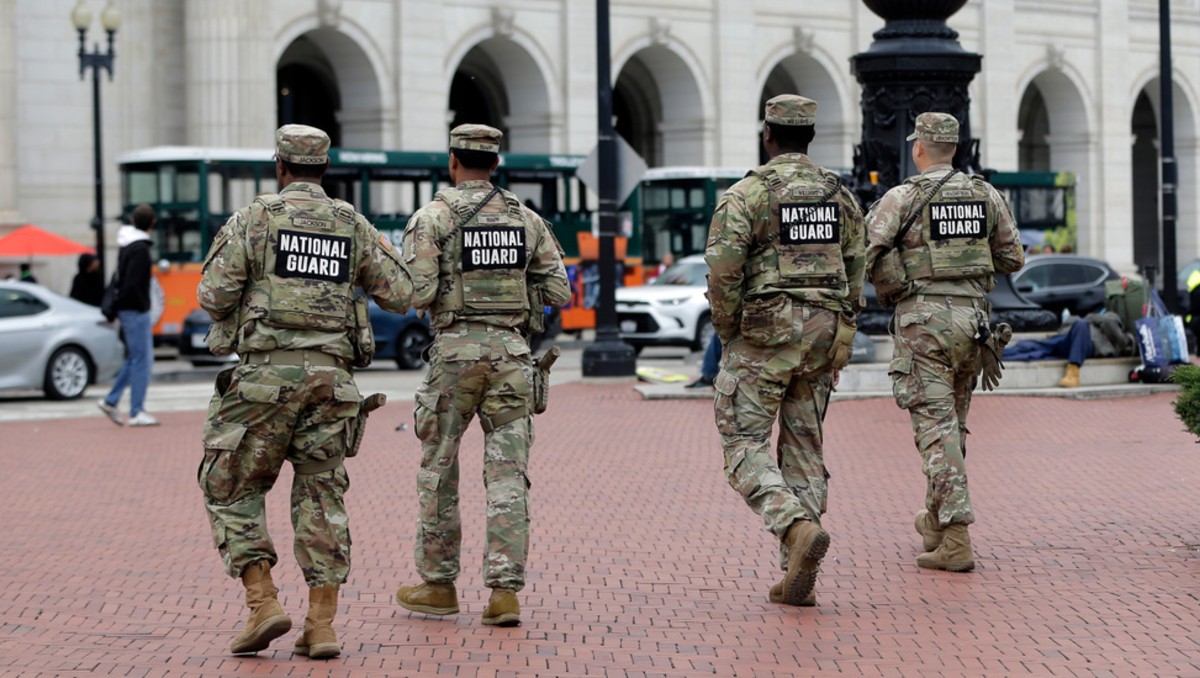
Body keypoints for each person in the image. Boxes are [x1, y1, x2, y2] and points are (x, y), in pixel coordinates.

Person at [195, 124, 412, 658]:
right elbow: (402, 294)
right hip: (332, 385)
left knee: (229, 486)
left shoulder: (254, 219)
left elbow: (211, 294)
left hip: (265, 380)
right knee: (321, 496)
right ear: (325, 168)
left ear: (280, 166)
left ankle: (263, 601)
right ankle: (321, 625)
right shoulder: (352, 225)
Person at [394, 124, 570, 627]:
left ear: (452, 161)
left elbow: (418, 292)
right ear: (495, 164)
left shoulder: (433, 217)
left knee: (439, 470)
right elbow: (558, 290)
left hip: (452, 355)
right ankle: (503, 594)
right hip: (513, 357)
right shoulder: (525, 219)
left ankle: (438, 585)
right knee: (507, 477)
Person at [705, 95, 865, 606]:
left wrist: (729, 331)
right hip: (823, 333)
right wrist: (841, 330)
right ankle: (797, 568)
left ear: (767, 135)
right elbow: (857, 268)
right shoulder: (840, 196)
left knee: (742, 442)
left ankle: (794, 528)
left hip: (764, 334)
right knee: (804, 449)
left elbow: (724, 270)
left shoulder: (748, 194)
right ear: (810, 138)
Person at [864, 112, 1024, 572]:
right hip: (973, 324)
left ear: (918, 148)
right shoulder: (985, 194)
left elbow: (868, 253)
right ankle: (935, 522)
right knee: (951, 427)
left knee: (936, 431)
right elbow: (1012, 258)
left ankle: (956, 537)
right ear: (956, 147)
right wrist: (968, 263)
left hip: (924, 324)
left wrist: (899, 281)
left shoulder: (903, 197)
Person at [97, 204, 159, 427]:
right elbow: (133, 284)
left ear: (133, 221)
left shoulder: (127, 246)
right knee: (142, 360)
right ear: (152, 223)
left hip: (127, 309)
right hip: (135, 310)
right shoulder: (141, 249)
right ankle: (136, 411)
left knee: (135, 358)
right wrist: (144, 306)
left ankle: (111, 400)